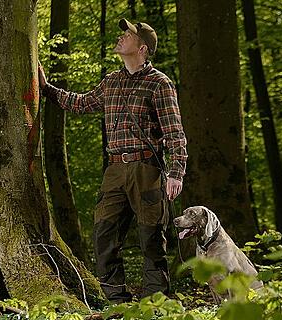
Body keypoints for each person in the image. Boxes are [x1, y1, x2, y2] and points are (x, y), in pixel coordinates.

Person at [39, 19, 188, 303]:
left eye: (128, 34)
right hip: (115, 169)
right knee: (104, 233)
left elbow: (174, 133)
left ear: (142, 48)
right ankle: (115, 299)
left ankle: (156, 302)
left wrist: (176, 172)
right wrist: (47, 88)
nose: (121, 37)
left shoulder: (160, 84)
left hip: (147, 170)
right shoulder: (111, 81)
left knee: (152, 237)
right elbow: (81, 103)